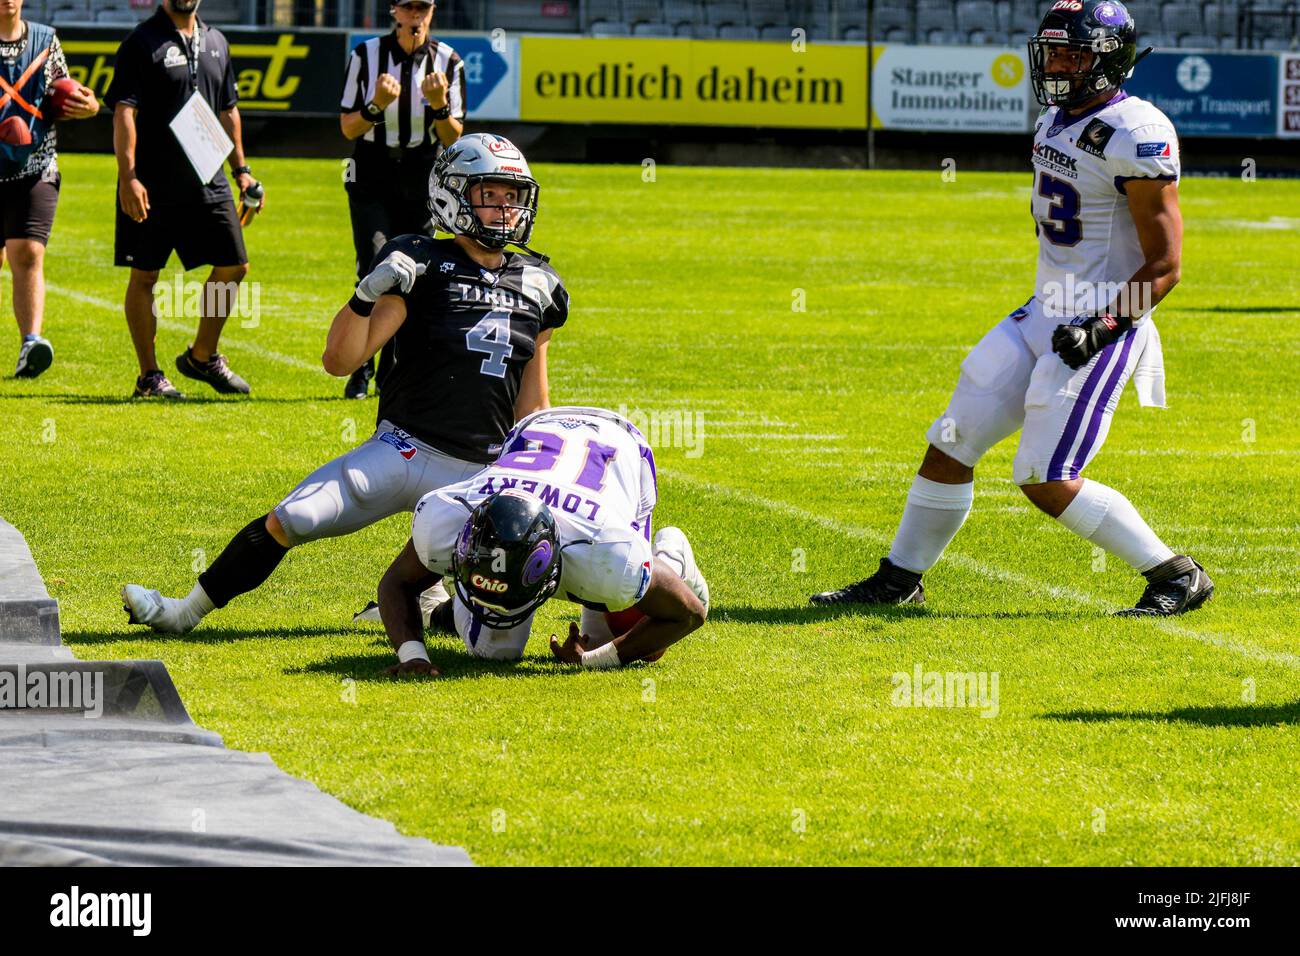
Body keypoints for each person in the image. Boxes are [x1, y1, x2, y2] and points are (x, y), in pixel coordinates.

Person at [812, 0, 1212, 618]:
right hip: (1043, 312)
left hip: (1100, 324)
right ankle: (900, 580)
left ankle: (1175, 573)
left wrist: (1101, 326)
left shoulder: (1137, 130)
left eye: (1073, 54)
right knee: (951, 441)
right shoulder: (1055, 116)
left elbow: (1165, 264)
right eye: (1052, 51)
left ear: (1111, 62)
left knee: (1044, 476)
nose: (1056, 64)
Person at [120, 133, 568, 634]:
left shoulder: (539, 283)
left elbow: (534, 408)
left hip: (477, 472)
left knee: (505, 585)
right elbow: (340, 361)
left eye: (513, 196)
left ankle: (431, 608)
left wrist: (534, 482)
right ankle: (183, 613)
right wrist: (362, 297)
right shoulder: (419, 261)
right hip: (403, 449)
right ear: (452, 192)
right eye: (490, 194)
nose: (505, 209)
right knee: (295, 518)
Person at [374, 406, 710, 675]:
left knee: (638, 644)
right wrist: (412, 655)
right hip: (535, 430)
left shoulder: (607, 553)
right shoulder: (450, 516)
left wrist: (592, 660)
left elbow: (687, 614)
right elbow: (397, 582)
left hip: (621, 447)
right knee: (495, 649)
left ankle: (672, 552)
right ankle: (440, 611)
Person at [106, 0, 256, 399]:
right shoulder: (142, 41)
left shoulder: (216, 41)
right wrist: (129, 177)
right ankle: (149, 376)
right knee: (145, 276)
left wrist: (241, 170)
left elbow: (228, 108)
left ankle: (202, 356)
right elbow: (124, 112)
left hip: (210, 178)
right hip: (152, 184)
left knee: (234, 266)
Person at [339, 0, 465, 400]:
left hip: (421, 172)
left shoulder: (448, 60)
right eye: (408, 7)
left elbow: (453, 138)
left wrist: (440, 106)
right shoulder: (366, 55)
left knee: (412, 268)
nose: (416, 16)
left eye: (422, 8)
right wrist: (376, 105)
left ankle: (393, 372)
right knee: (375, 261)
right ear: (394, 11)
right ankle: (360, 367)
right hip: (373, 170)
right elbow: (348, 127)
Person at [0, 0, 98, 378]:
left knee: (27, 253)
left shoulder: (45, 39)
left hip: (35, 165)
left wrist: (85, 105)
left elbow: (66, 92)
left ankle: (31, 343)